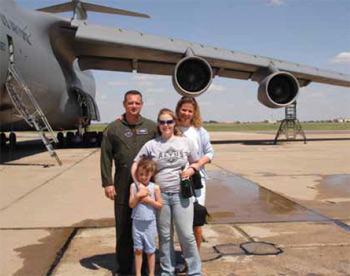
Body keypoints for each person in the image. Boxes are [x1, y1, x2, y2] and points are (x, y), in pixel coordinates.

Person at [131, 108, 202, 276]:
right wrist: (138, 185)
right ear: (158, 124)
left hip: (181, 195)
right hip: (160, 195)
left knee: (186, 234)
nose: (166, 125)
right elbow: (135, 163)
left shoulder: (185, 142)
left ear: (174, 123)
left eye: (169, 122)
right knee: (165, 236)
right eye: (162, 122)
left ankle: (195, 271)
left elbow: (197, 162)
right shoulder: (152, 144)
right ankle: (167, 271)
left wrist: (192, 169)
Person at [100, 90, 157, 276]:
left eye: (137, 103)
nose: (134, 106)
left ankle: (149, 268)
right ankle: (124, 268)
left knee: (147, 227)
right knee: (123, 226)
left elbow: (166, 140)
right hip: (123, 183)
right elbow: (106, 156)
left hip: (147, 185)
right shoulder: (113, 128)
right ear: (124, 104)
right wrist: (107, 183)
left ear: (142, 104)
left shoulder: (151, 127)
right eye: (130, 103)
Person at [175, 96, 214, 251]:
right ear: (178, 109)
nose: (186, 113)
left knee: (196, 221)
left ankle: (194, 259)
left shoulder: (199, 131)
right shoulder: (171, 128)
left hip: (196, 181)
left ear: (194, 112)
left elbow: (210, 153)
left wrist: (196, 165)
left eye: (190, 111)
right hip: (177, 180)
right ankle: (186, 256)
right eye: (184, 110)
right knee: (181, 222)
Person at [129, 158, 163, 276]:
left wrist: (149, 201)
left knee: (150, 250)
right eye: (141, 175)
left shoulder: (155, 188)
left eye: (146, 175)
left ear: (152, 174)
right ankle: (138, 273)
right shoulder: (133, 187)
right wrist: (138, 196)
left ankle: (151, 273)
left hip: (150, 223)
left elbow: (159, 204)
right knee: (138, 250)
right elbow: (131, 204)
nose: (143, 177)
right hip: (137, 223)